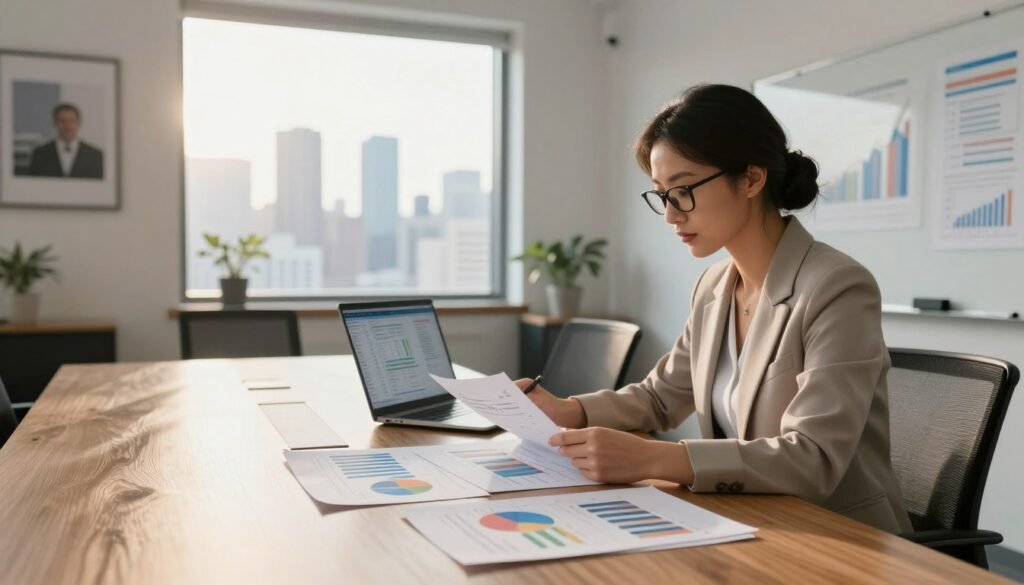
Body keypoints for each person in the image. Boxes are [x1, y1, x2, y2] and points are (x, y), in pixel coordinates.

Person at [517, 84, 913, 534]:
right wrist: (570, 411)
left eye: (682, 190)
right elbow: (661, 396)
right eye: (662, 194)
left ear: (751, 179)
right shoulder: (714, 284)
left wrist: (657, 458)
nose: (671, 215)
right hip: (750, 519)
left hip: (836, 535)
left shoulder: (837, 286)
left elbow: (814, 457)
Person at [25, 103, 104, 179]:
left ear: (79, 123)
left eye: (72, 121)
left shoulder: (96, 156)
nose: (67, 125)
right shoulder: (39, 154)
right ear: (54, 123)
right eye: (62, 121)